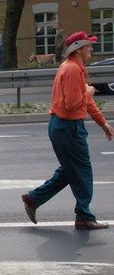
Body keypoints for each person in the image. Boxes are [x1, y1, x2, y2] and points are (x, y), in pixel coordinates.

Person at [22, 31, 114, 230]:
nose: (92, 48)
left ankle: (33, 199)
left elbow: (84, 104)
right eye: (89, 45)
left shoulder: (75, 68)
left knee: (70, 170)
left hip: (64, 126)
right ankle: (84, 216)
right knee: (82, 171)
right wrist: (89, 92)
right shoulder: (72, 70)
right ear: (79, 49)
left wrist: (102, 123)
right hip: (68, 127)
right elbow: (74, 104)